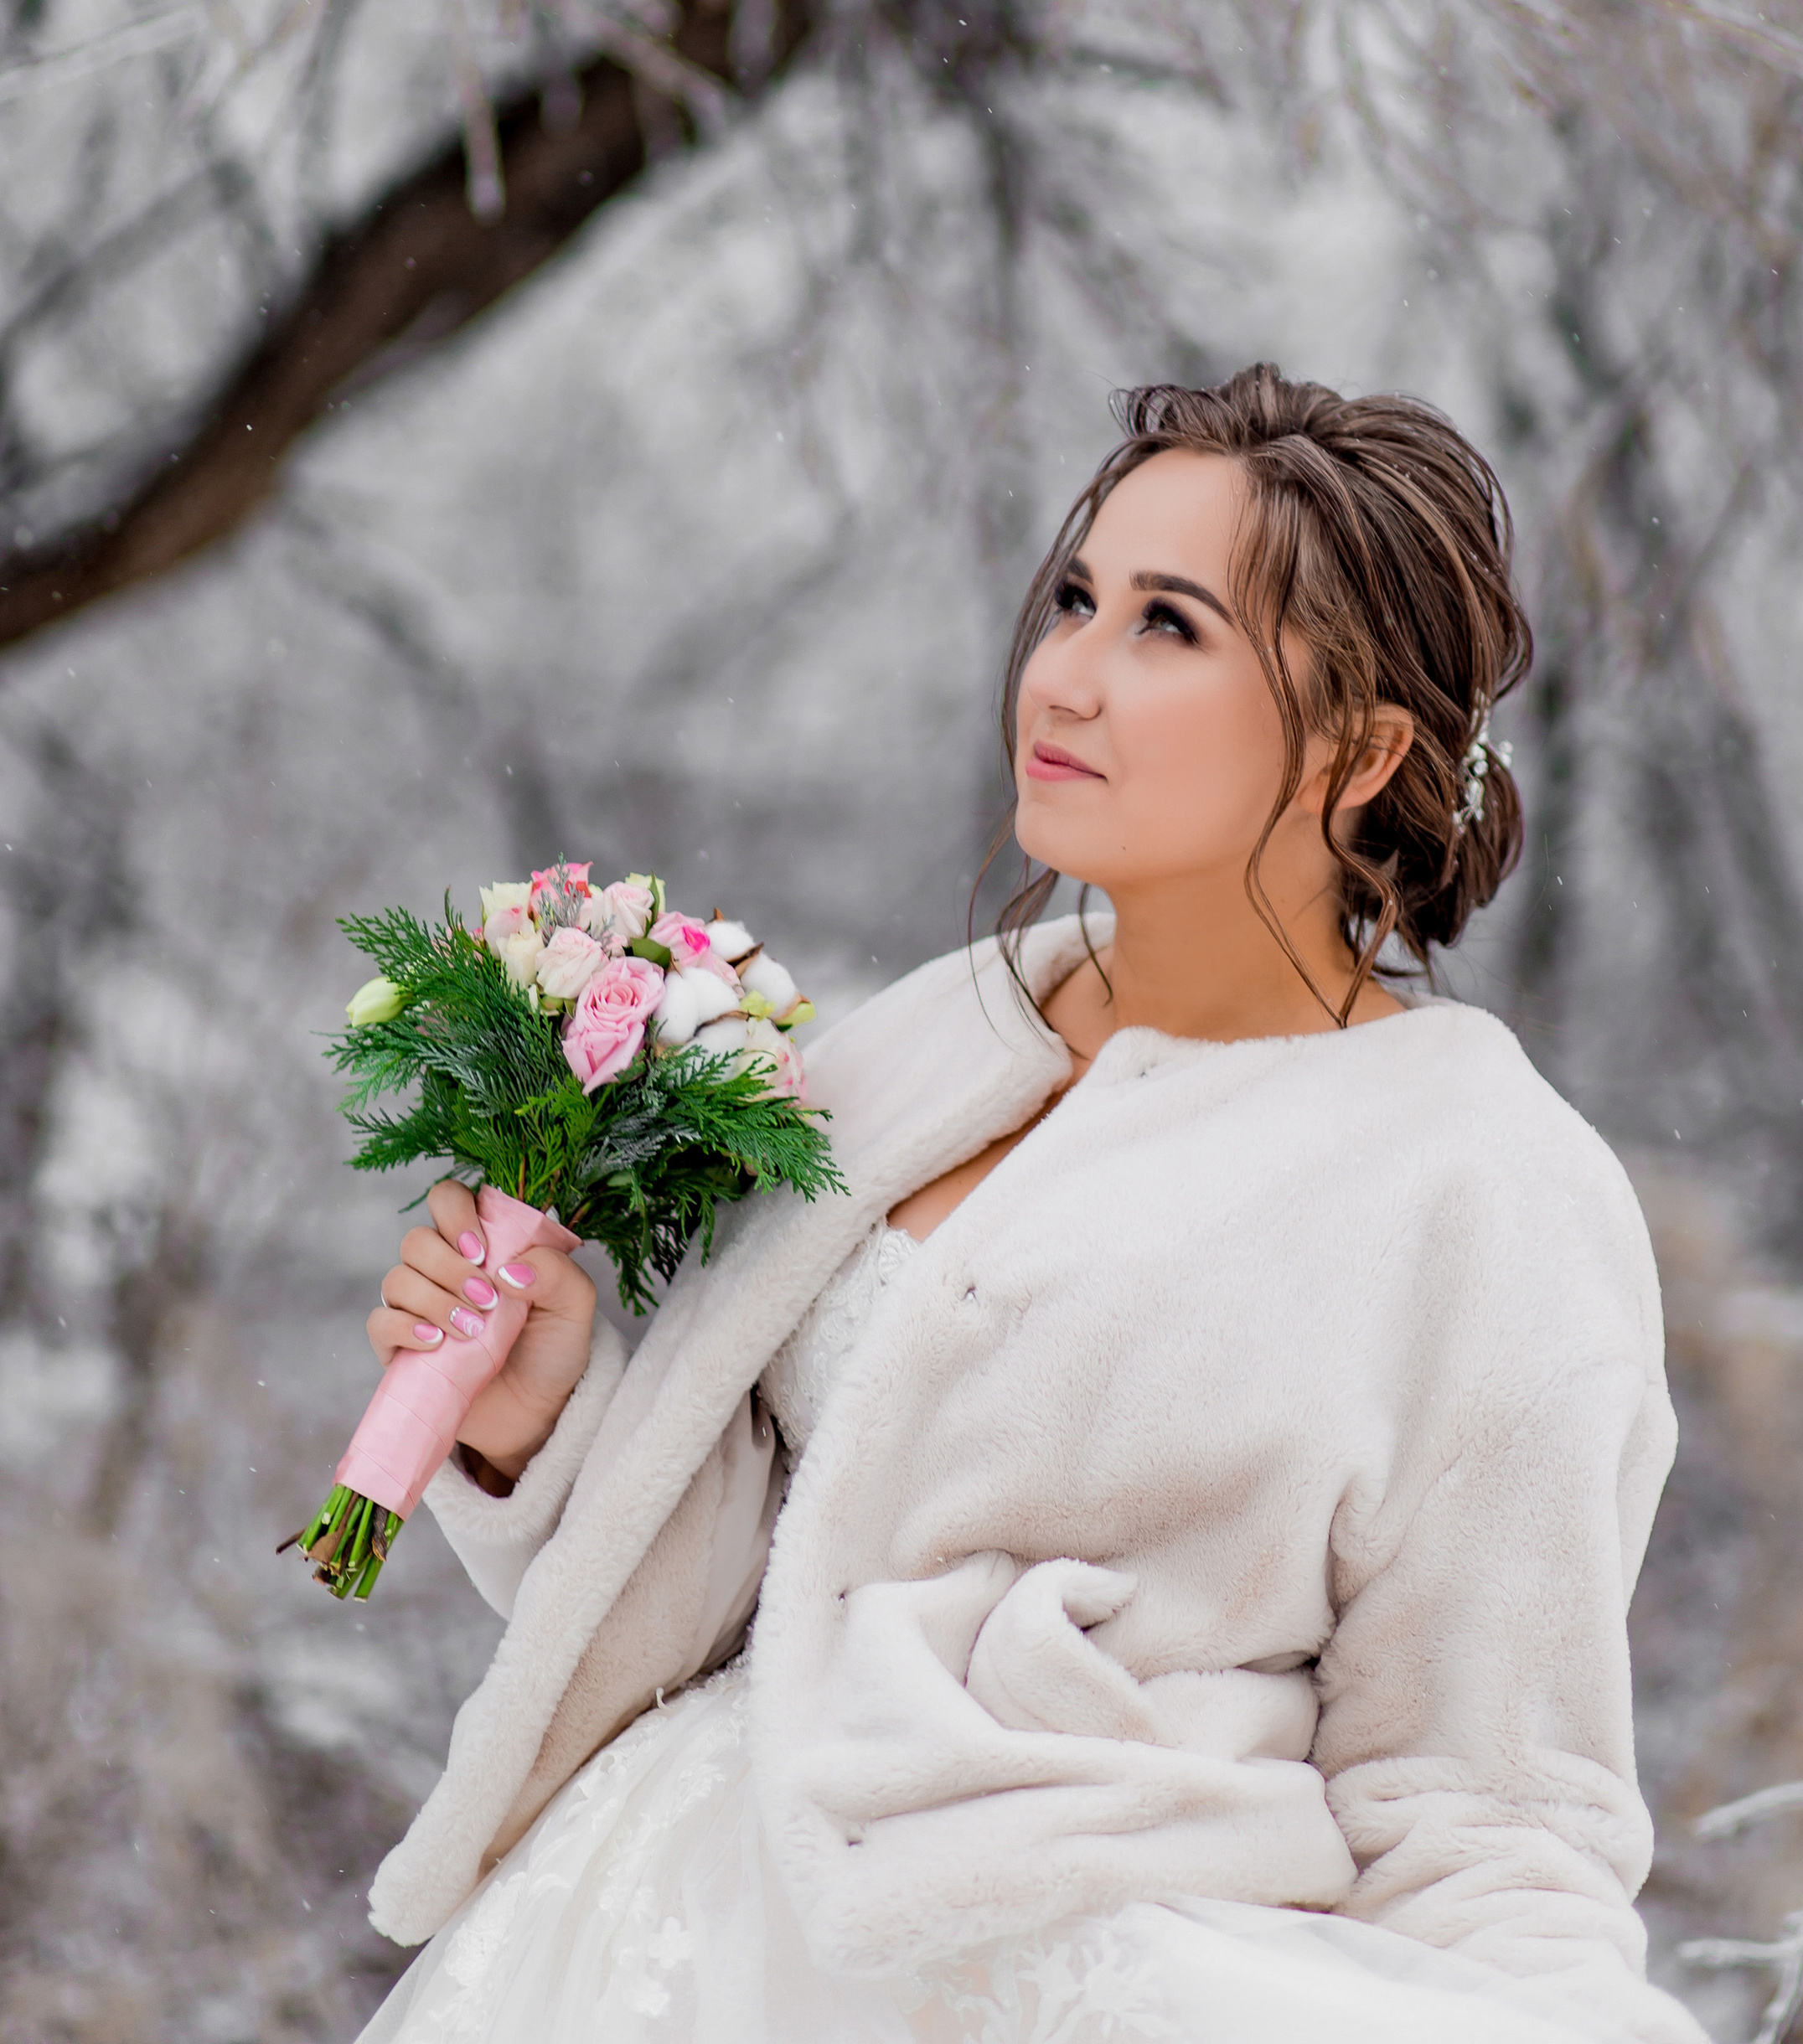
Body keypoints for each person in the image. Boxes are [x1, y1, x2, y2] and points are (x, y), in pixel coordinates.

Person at [353, 368, 1705, 2044]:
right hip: (656, 1941)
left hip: (1088, 1972)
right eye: (1075, 599)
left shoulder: (1481, 1196)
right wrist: (545, 1417)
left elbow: (1493, 1805)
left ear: (1357, 751)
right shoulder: (927, 1040)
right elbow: (762, 1589)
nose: (1063, 675)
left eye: (1167, 629)